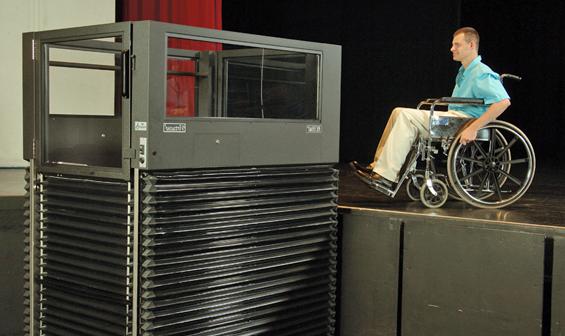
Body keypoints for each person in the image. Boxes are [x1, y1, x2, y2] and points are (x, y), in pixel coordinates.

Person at [351, 27, 511, 190]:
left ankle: (385, 176)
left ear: (471, 45)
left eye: (457, 45)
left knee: (406, 116)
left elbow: (503, 102)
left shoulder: (481, 72)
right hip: (454, 117)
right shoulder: (465, 71)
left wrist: (473, 128)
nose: (452, 49)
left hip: (463, 122)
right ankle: (378, 167)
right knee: (398, 111)